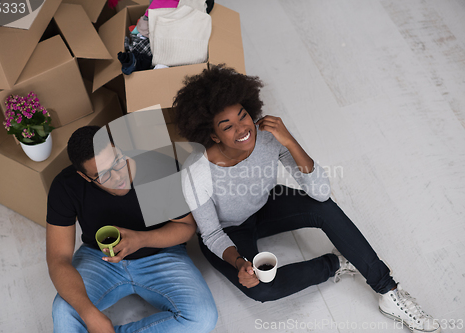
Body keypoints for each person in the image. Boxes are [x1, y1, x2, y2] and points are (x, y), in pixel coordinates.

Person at [173, 65, 440, 333]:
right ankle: (338, 262)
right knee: (264, 289)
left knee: (323, 207)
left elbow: (321, 193)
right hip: (228, 232)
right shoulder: (196, 171)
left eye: (243, 117)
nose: (242, 129)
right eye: (227, 126)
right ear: (213, 135)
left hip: (264, 205)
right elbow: (211, 234)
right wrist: (239, 262)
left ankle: (389, 292)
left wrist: (289, 141)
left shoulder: (266, 137)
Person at [46, 125, 218, 333]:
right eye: (103, 175)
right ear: (85, 177)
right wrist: (89, 314)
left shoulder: (160, 169)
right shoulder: (65, 186)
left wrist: (141, 239)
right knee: (63, 312)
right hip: (99, 258)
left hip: (161, 253)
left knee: (203, 317)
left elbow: (187, 227)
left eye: (117, 162)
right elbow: (58, 259)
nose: (118, 177)